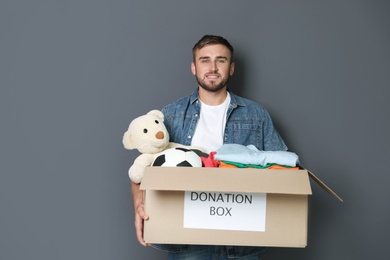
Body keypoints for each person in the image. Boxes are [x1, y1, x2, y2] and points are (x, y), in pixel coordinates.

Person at [131, 35, 287, 259]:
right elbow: (141, 169)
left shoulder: (257, 115)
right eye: (205, 60)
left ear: (231, 68)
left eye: (220, 60)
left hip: (242, 237)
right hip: (187, 240)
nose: (212, 67)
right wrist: (139, 202)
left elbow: (284, 168)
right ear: (194, 67)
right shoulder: (171, 115)